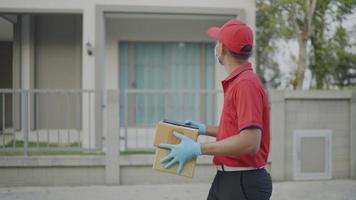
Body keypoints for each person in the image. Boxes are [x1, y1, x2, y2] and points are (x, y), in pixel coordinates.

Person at [159, 19, 272, 199]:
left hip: (242, 181)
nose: (216, 45)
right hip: (227, 178)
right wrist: (203, 129)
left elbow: (250, 141)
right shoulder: (239, 81)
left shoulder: (246, 84)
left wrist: (198, 148)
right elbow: (239, 132)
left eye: (218, 41)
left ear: (223, 48)